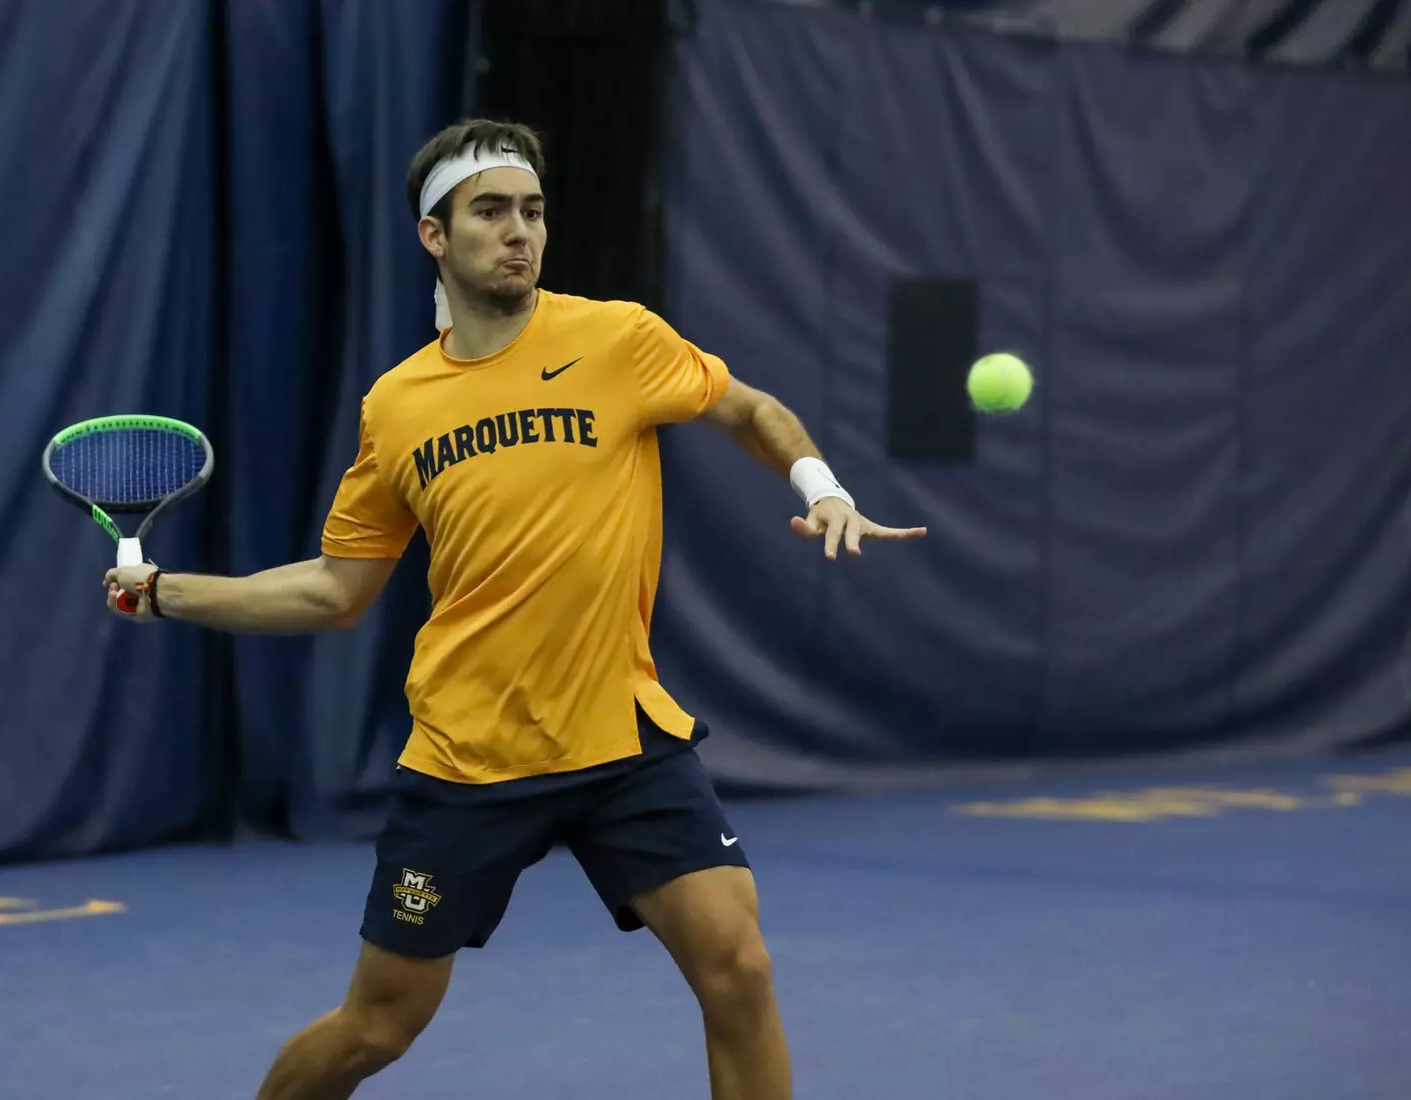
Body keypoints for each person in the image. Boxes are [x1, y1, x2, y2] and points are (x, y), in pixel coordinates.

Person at [104, 119, 926, 1100]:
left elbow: (749, 409)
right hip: (468, 755)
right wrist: (166, 592)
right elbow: (336, 587)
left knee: (739, 968)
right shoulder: (398, 406)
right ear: (433, 235)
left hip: (622, 736)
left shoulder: (619, 339)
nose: (519, 232)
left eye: (531, 211)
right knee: (377, 1026)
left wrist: (819, 483)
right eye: (490, 211)